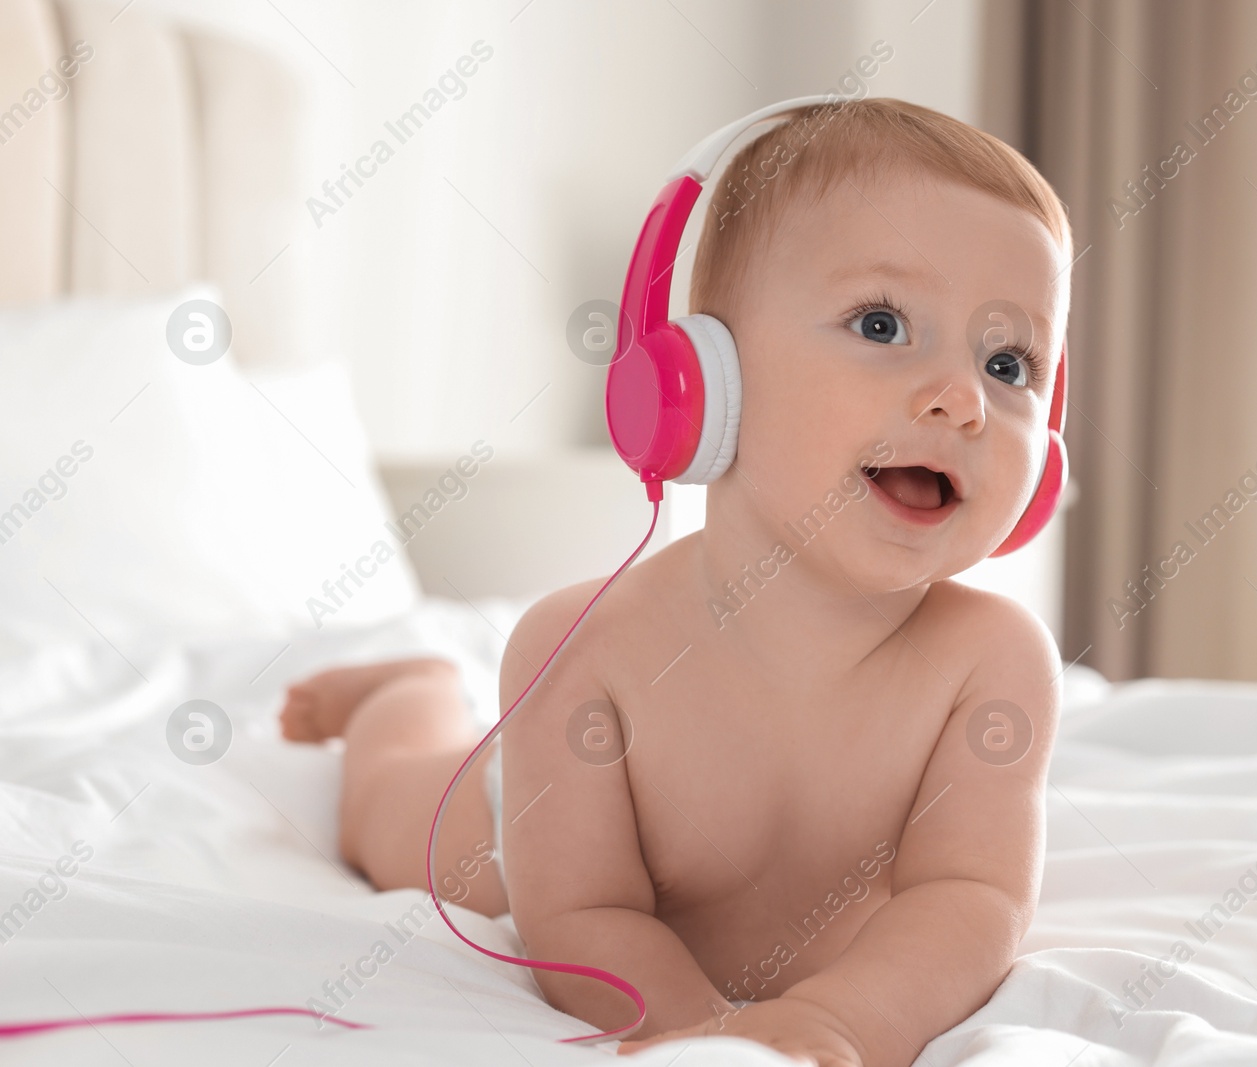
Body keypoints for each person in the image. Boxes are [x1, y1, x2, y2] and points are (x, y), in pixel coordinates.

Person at [281, 97, 1071, 1067]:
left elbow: (973, 896)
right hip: (514, 847)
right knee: (394, 817)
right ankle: (404, 691)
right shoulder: (586, 648)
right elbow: (580, 913)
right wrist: (702, 1030)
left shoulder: (991, 662)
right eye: (881, 322)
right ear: (700, 380)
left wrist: (840, 1019)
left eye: (1007, 360)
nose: (959, 398)